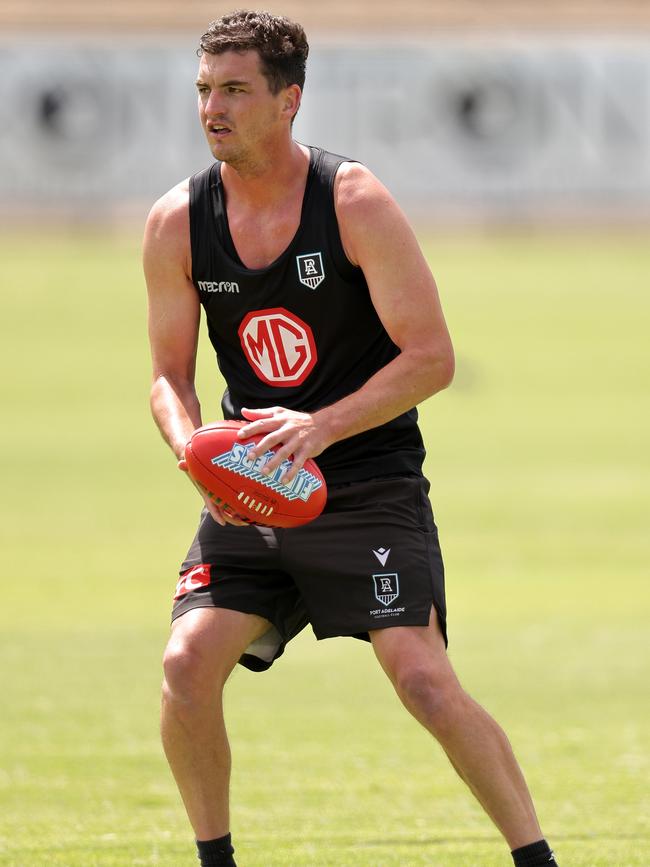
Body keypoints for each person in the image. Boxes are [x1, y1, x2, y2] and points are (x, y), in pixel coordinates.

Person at [143, 10, 558, 867]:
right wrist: (196, 455)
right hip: (253, 482)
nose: (212, 108)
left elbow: (433, 357)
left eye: (234, 90)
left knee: (424, 680)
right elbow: (167, 380)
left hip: (365, 477)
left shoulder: (354, 201)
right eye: (203, 90)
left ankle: (538, 860)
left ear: (288, 100)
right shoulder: (178, 221)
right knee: (186, 664)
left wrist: (321, 426)